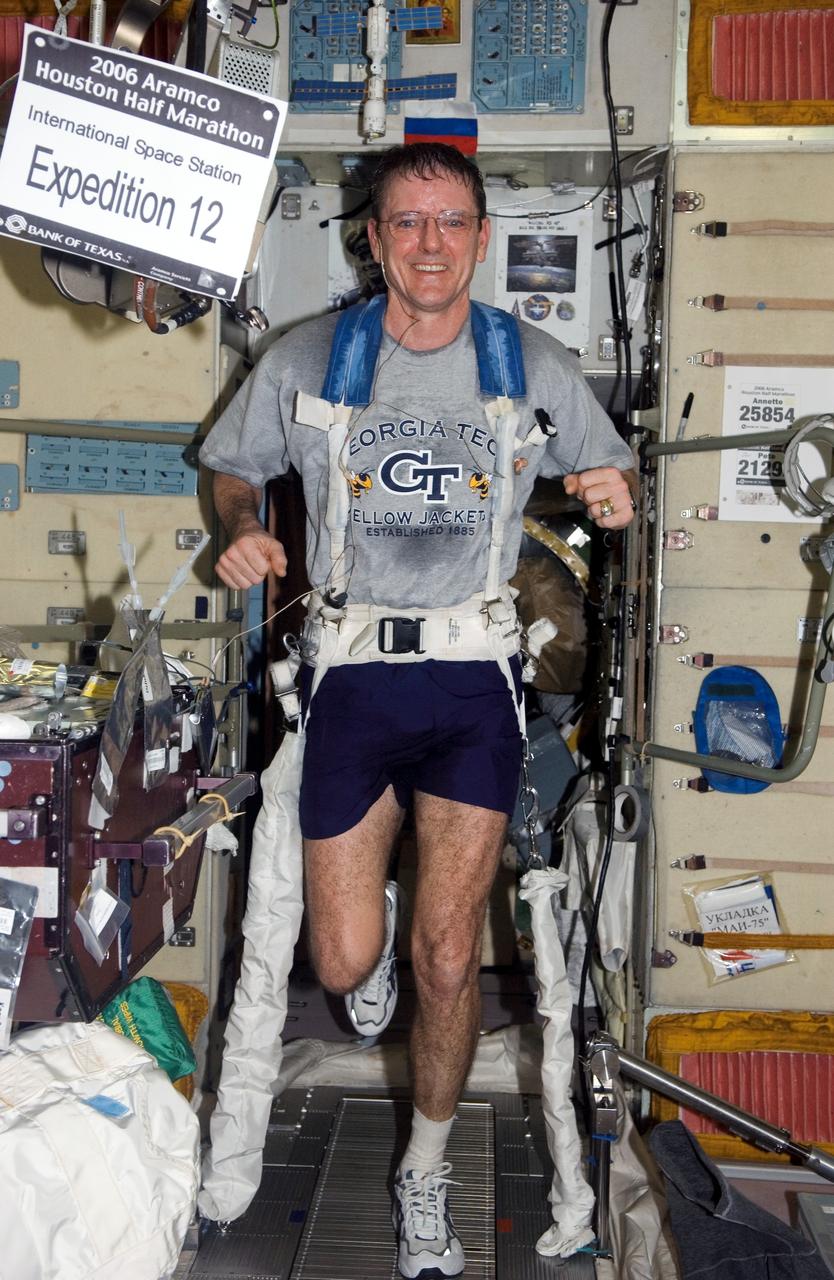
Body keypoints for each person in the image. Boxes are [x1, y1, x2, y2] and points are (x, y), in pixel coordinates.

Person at [199, 142, 636, 1280]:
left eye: (451, 223)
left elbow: (612, 477)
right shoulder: (311, 356)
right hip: (350, 675)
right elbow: (232, 467)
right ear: (374, 238)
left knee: (454, 956)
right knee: (343, 965)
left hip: (469, 687)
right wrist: (238, 523)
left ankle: (425, 1172)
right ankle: (371, 952)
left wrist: (612, 489)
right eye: (407, 223)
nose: (430, 243)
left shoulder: (526, 359)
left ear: (482, 237)